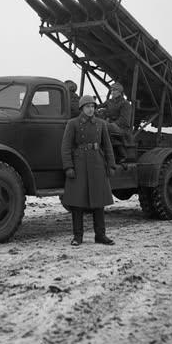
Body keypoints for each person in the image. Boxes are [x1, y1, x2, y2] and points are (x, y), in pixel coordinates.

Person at [61, 95, 116, 246]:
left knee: (99, 202)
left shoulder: (101, 124)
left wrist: (111, 165)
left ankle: (101, 235)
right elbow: (66, 147)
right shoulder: (73, 123)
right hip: (79, 165)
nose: (90, 109)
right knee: (77, 203)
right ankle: (77, 237)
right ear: (81, 108)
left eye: (92, 106)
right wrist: (68, 167)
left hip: (97, 164)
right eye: (87, 107)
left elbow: (107, 146)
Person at [96, 82, 131, 162]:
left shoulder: (125, 104)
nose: (112, 92)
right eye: (111, 90)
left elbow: (124, 120)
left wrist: (111, 124)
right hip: (110, 125)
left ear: (120, 92)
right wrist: (91, 105)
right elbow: (98, 106)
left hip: (121, 128)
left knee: (105, 127)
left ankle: (122, 154)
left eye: (115, 90)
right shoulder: (109, 102)